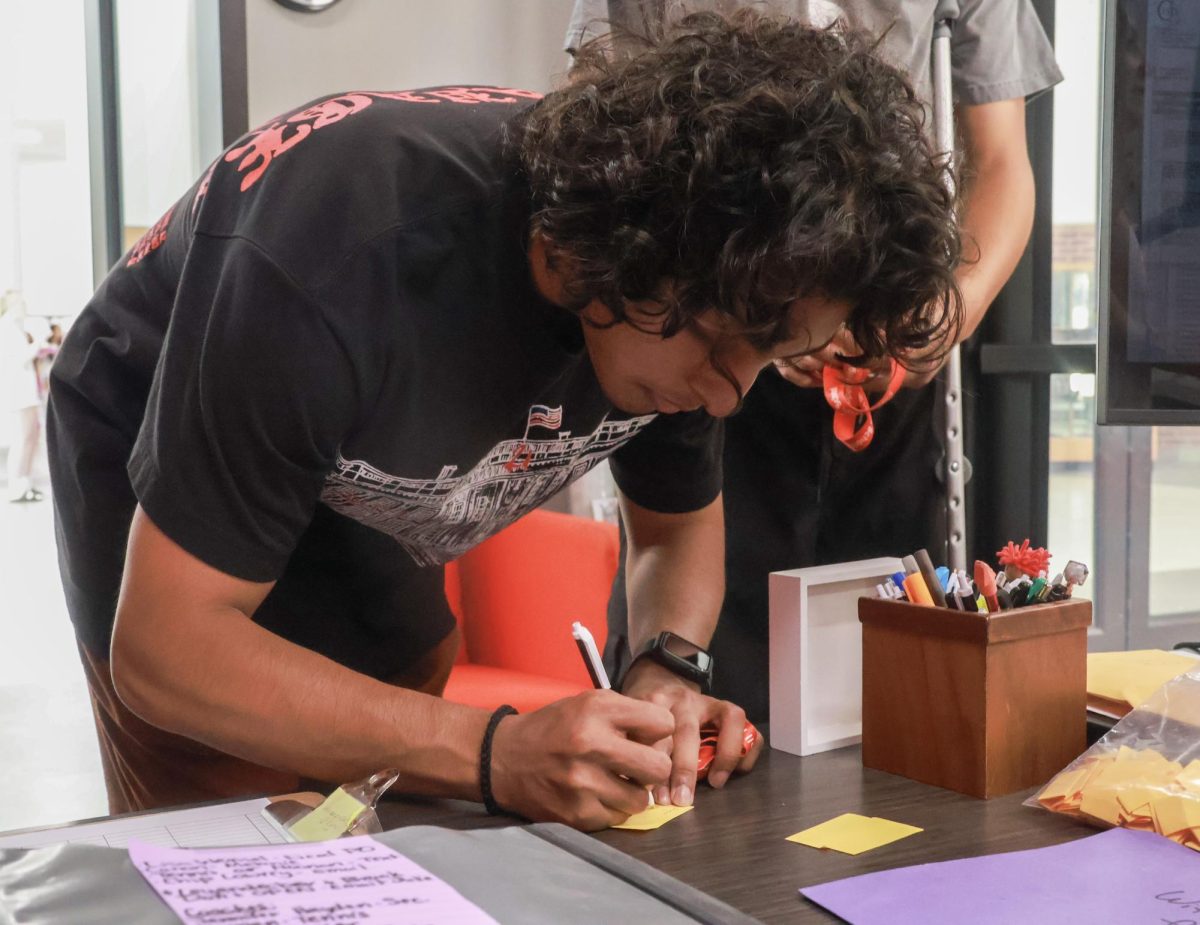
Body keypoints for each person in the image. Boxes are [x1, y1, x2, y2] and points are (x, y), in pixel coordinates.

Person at [48, 10, 961, 830]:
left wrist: (665, 671)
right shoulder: (342, 251)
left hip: (357, 480)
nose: (730, 396)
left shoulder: (703, 290)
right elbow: (168, 651)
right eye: (729, 350)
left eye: (769, 360)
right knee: (231, 819)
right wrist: (496, 751)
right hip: (161, 430)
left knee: (390, 754)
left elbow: (674, 536)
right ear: (627, 251)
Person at [569, 0, 1061, 723]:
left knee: (896, 684)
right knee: (701, 677)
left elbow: (1001, 165)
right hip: (712, 351)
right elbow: (602, 135)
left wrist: (944, 311)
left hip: (889, 363)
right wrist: (766, 321)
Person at [1, 289, 44, 503]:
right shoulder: (6, 328)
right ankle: (17, 484)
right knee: (24, 436)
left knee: (31, 436)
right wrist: (36, 346)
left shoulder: (16, 328)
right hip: (18, 391)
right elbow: (17, 359)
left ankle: (25, 481)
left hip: (27, 390)